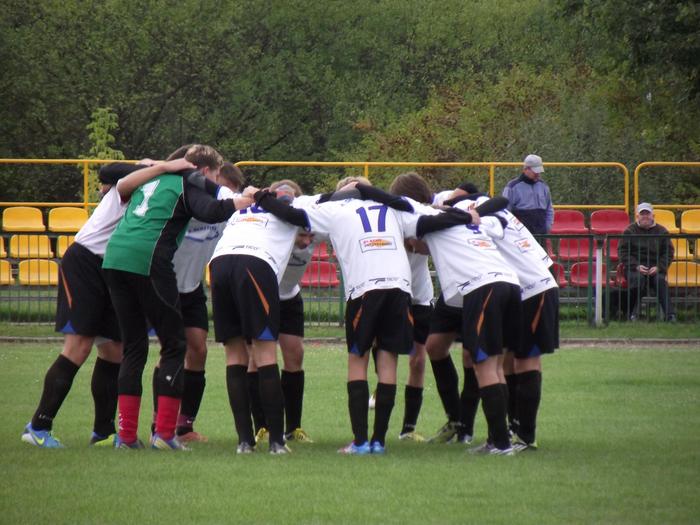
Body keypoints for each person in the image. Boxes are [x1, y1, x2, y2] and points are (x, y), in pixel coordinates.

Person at [258, 179, 484, 454]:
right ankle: (378, 441)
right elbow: (433, 220)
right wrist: (466, 216)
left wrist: (262, 198)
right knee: (388, 360)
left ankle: (360, 442)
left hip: (365, 288)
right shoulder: (395, 208)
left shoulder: (336, 209)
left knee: (358, 359)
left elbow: (291, 213)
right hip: (400, 288)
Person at [20, 158, 194, 448]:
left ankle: (103, 432)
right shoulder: (140, 182)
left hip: (113, 267)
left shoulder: (166, 189)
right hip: (85, 260)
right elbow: (109, 171)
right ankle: (38, 426)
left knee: (114, 350)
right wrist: (159, 166)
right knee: (79, 346)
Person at [102, 145, 251, 450]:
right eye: (214, 177)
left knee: (137, 347)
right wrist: (240, 202)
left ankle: (128, 436)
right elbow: (211, 210)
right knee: (174, 347)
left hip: (119, 259)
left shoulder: (152, 179)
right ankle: (164, 434)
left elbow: (111, 175)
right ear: (204, 172)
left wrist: (156, 166)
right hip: (151, 263)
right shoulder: (187, 185)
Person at [448, 185, 560, 451]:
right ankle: (511, 431)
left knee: (525, 362)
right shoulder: (502, 212)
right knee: (508, 363)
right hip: (528, 287)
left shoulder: (486, 216)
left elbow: (481, 230)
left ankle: (526, 437)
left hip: (532, 288)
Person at [149, 159, 246, 443]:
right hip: (165, 284)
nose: (225, 196)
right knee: (171, 351)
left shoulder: (228, 215)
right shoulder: (187, 205)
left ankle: (184, 426)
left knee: (199, 349)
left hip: (192, 287)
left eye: (231, 191)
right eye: (221, 188)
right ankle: (159, 424)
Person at [618, 202, 675, 322]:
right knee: (638, 280)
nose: (645, 216)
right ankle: (632, 314)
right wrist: (636, 266)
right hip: (634, 268)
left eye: (647, 214)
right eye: (642, 214)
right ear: (637, 216)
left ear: (653, 216)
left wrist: (659, 267)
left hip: (655, 268)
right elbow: (623, 252)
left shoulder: (662, 231)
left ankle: (670, 315)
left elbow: (668, 252)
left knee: (660, 281)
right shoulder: (629, 231)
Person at [502, 154, 554, 235]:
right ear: (526, 169)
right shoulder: (512, 187)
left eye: (539, 171)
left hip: (541, 231)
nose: (538, 174)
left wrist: (548, 226)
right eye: (535, 171)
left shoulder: (543, 186)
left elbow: (549, 208)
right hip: (521, 232)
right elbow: (506, 210)